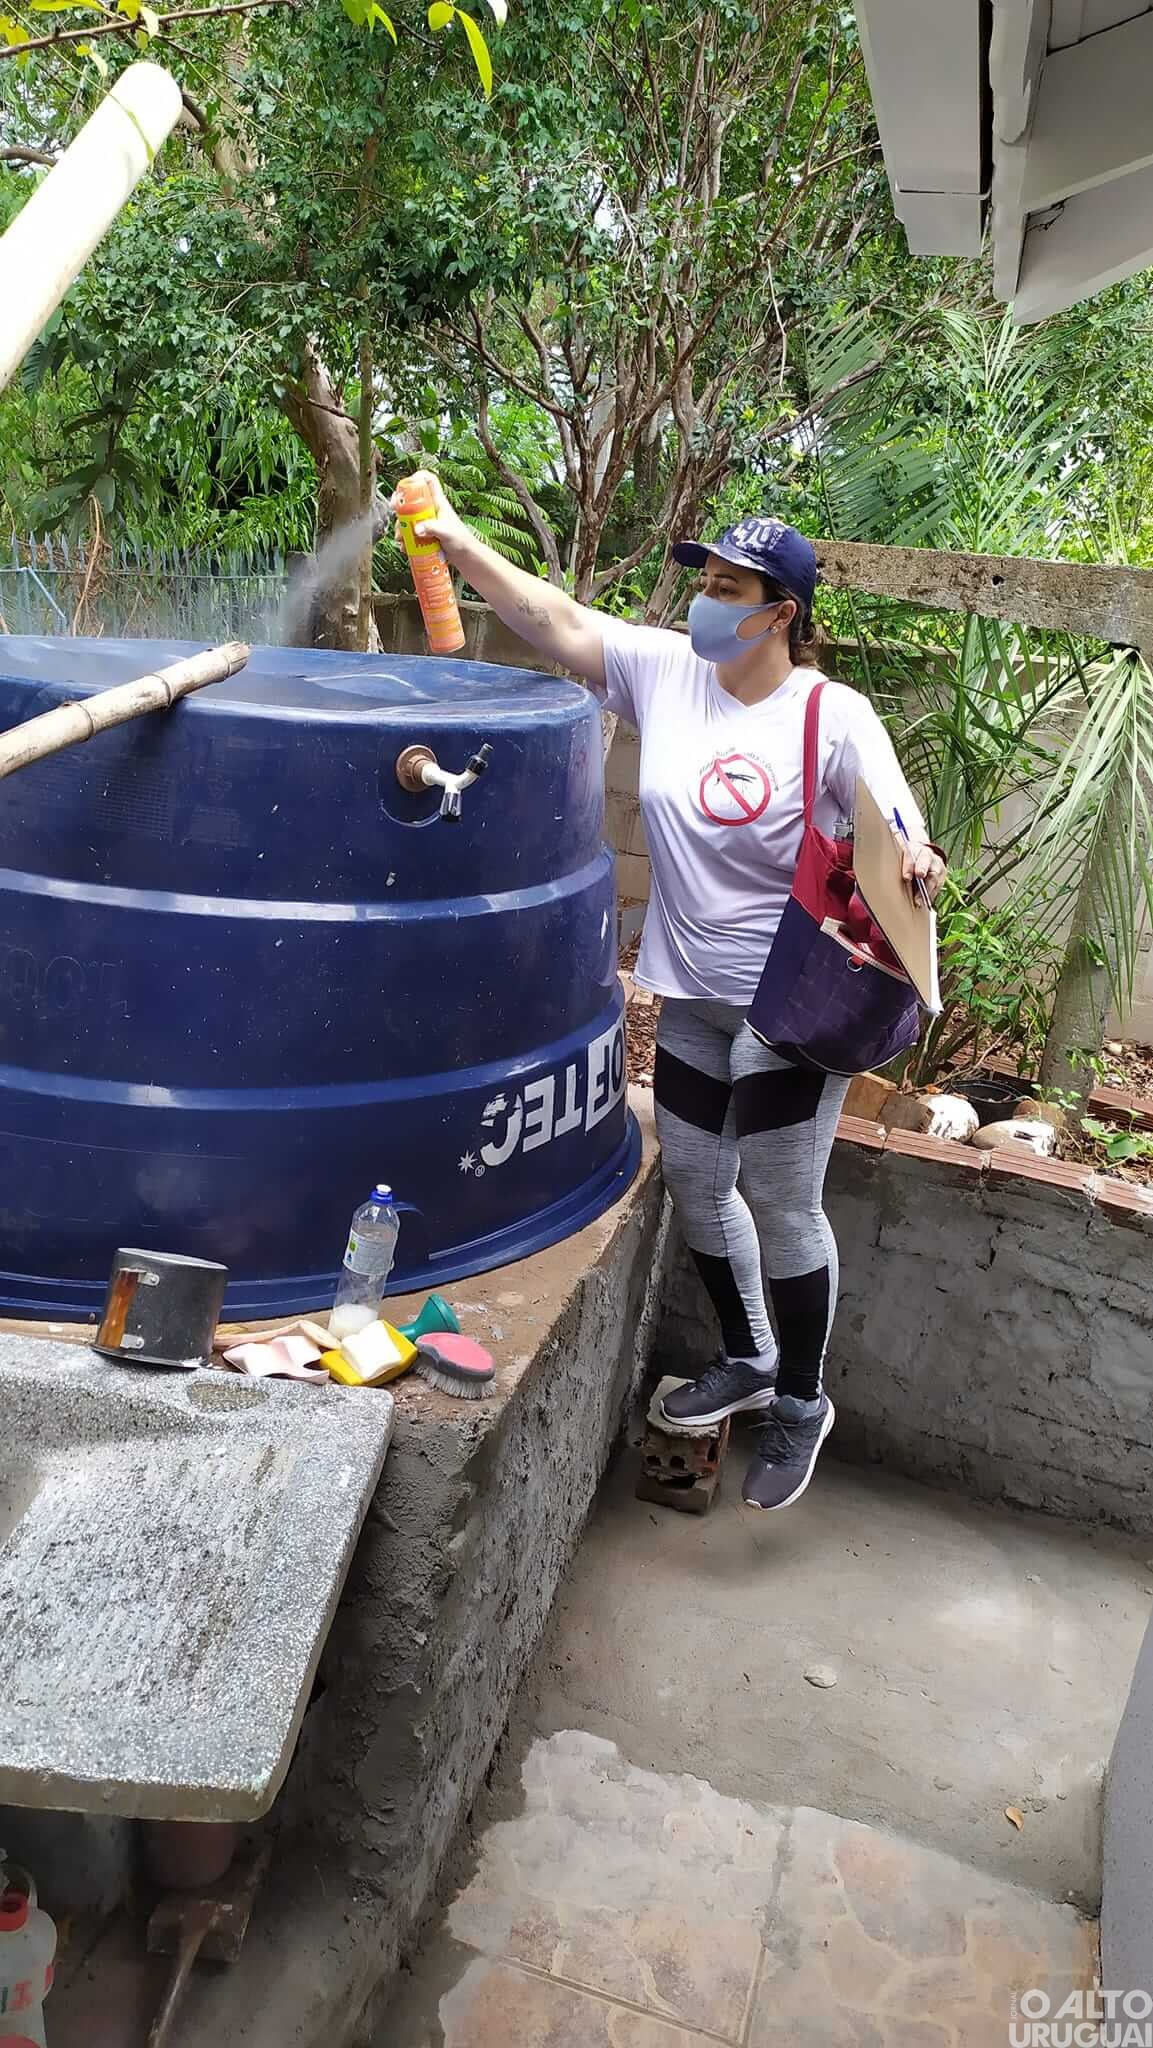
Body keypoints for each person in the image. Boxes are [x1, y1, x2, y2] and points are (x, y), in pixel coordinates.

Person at [401, 478, 945, 1511]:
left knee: (782, 1200)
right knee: (699, 1181)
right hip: (692, 991)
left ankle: (799, 1399)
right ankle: (743, 1353)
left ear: (779, 611)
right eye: (704, 579)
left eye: (729, 586)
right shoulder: (663, 669)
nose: (703, 599)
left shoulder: (833, 715)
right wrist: (456, 538)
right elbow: (553, 618)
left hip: (790, 1006)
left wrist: (918, 857)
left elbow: (898, 829)